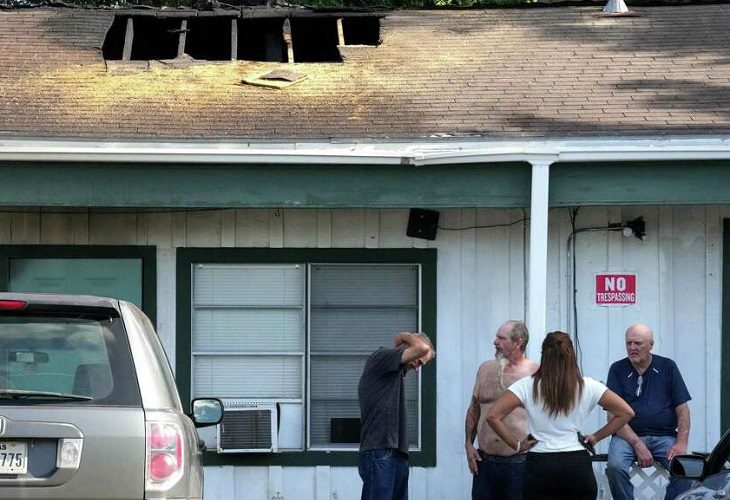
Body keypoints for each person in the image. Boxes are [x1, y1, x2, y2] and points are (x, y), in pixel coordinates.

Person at [487, 331, 634, 500]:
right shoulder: (588, 386)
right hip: (577, 465)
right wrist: (595, 437)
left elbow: (493, 416)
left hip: (540, 466)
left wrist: (517, 445)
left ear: (544, 355)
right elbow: (626, 412)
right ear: (571, 355)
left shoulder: (527, 385)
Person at [606, 323, 692, 500]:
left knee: (685, 469)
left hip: (665, 436)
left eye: (638, 343)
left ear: (651, 345)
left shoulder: (668, 367)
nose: (632, 348)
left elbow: (682, 409)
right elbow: (612, 415)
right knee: (615, 467)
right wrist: (638, 444)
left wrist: (681, 443)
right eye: (628, 343)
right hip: (626, 437)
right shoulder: (617, 369)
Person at [464, 320, 539, 500]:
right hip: (485, 462)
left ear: (517, 343)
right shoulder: (485, 369)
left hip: (519, 464)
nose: (495, 342)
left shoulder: (535, 373)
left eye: (501, 338)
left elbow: (548, 416)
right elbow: (474, 409)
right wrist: (468, 444)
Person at [358, 331, 435, 500]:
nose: (416, 368)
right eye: (419, 362)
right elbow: (422, 348)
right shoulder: (382, 357)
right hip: (379, 450)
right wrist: (404, 335)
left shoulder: (396, 372)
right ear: (408, 347)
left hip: (397, 453)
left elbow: (422, 349)